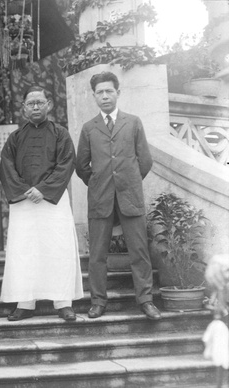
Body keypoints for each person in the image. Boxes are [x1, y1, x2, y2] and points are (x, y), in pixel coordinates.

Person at [76, 71, 161, 320]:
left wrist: (130, 181)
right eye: (100, 92)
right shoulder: (89, 128)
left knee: (139, 251)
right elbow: (82, 165)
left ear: (118, 93)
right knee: (98, 254)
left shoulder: (133, 122)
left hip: (130, 196)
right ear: (94, 96)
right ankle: (98, 302)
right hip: (100, 197)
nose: (104, 96)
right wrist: (98, 182)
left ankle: (145, 300)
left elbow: (144, 160)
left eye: (109, 91)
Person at [0, 85, 83, 322]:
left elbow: (66, 164)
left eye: (40, 102)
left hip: (53, 203)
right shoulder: (15, 137)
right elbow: (6, 167)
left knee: (59, 249)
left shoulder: (61, 134)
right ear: (24, 108)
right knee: (24, 252)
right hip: (24, 202)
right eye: (30, 103)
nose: (35, 107)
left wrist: (43, 189)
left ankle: (63, 302)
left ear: (49, 105)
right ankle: (25, 302)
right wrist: (26, 190)